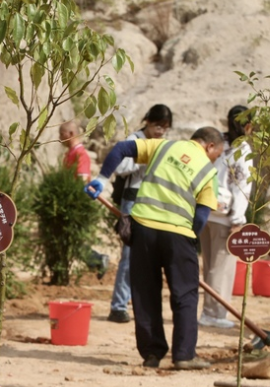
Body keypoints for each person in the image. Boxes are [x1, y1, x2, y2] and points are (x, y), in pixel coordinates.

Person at [86, 126, 224, 370]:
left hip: (143, 229)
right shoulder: (207, 171)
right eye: (217, 154)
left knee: (145, 293)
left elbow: (121, 148)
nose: (215, 159)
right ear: (209, 146)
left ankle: (152, 353)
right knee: (185, 295)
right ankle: (184, 355)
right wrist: (191, 240)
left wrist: (101, 178)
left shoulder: (164, 146)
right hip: (178, 235)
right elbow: (202, 216)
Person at [107, 104, 173, 324]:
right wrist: (144, 157)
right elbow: (121, 167)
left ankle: (138, 304)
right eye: (157, 126)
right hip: (133, 200)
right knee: (129, 254)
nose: (160, 131)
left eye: (165, 128)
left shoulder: (163, 144)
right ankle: (118, 306)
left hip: (154, 200)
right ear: (148, 121)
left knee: (149, 256)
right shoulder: (134, 139)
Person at [199, 106, 252, 328]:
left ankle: (208, 311)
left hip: (206, 209)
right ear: (248, 125)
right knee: (221, 267)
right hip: (225, 214)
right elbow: (241, 185)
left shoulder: (217, 142)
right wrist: (239, 219)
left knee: (210, 264)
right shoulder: (242, 149)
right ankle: (214, 314)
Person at [59, 119, 108, 279]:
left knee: (73, 240)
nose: (59, 138)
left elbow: (81, 180)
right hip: (68, 202)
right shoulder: (70, 153)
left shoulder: (80, 154)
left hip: (75, 203)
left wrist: (73, 201)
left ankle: (97, 260)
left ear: (71, 134)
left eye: (62, 134)